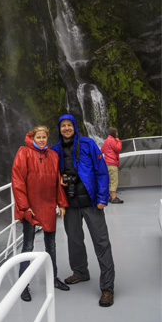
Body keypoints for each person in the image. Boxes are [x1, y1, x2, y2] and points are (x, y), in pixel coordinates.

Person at [52, 113, 114, 306]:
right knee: (75, 241)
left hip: (92, 202)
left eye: (69, 125)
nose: (66, 128)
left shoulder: (88, 144)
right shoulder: (55, 150)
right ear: (59, 129)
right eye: (63, 125)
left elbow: (101, 170)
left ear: (75, 127)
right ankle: (80, 272)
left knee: (101, 242)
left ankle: (107, 287)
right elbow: (51, 177)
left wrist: (103, 197)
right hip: (70, 203)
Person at [10, 124, 68, 302]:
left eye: (44, 137)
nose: (42, 140)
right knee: (28, 245)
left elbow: (57, 182)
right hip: (31, 206)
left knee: (51, 244)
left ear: (47, 138)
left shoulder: (53, 155)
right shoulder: (24, 152)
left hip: (49, 204)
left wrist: (62, 204)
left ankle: (54, 277)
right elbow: (17, 180)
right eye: (38, 137)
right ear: (32, 138)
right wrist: (24, 206)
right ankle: (23, 285)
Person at [101, 127, 123, 203]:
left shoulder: (106, 140)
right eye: (116, 132)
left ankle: (109, 197)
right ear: (114, 133)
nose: (117, 133)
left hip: (106, 163)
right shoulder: (113, 140)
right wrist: (119, 141)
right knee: (114, 180)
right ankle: (114, 198)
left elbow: (102, 150)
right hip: (112, 163)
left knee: (109, 181)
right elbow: (118, 149)